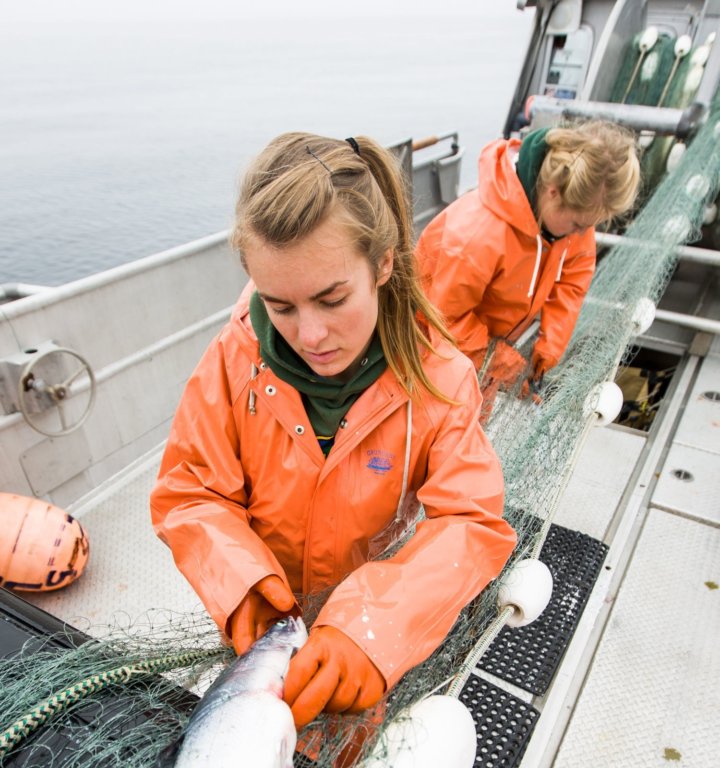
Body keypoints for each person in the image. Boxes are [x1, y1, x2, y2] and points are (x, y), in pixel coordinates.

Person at [150, 132, 516, 732]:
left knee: (343, 759)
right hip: (261, 641)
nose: (310, 334)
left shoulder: (442, 379)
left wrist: (374, 628)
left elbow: (471, 520)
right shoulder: (231, 359)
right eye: (282, 306)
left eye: (331, 298)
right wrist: (242, 587)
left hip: (364, 645)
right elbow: (190, 491)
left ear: (383, 264)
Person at [415, 120, 641, 420]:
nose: (582, 233)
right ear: (552, 192)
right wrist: (497, 359)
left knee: (471, 432)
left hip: (482, 355)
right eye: (578, 225)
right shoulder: (477, 235)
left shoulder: (570, 220)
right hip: (426, 358)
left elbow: (576, 267)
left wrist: (550, 347)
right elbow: (440, 320)